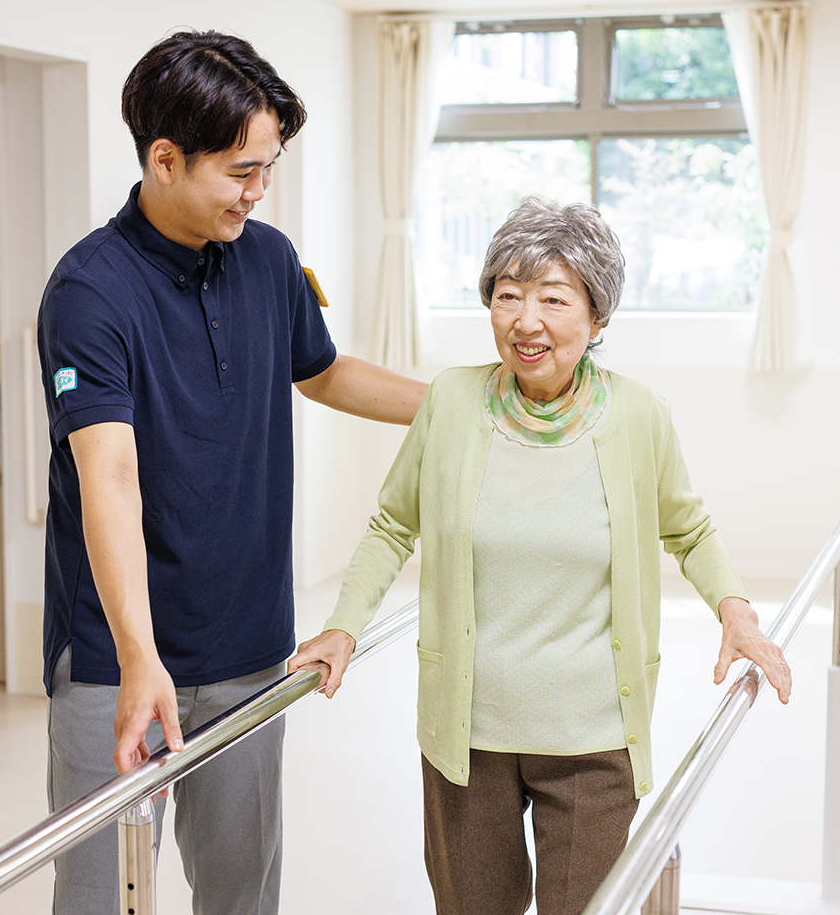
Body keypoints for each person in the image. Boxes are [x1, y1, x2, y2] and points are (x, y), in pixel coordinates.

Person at [290, 197, 793, 915]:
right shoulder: (452, 403)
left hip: (593, 737)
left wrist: (737, 613)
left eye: (552, 298)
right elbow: (393, 524)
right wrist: (342, 625)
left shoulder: (639, 415)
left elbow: (689, 528)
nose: (525, 320)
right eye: (507, 295)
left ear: (597, 318)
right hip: (467, 738)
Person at [37, 30, 426, 915]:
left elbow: (321, 369)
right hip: (114, 659)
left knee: (242, 894)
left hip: (249, 644)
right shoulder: (90, 292)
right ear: (164, 159)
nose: (258, 191)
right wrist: (140, 656)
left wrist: (457, 402)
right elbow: (110, 477)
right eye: (240, 171)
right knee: (97, 895)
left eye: (269, 168)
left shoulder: (269, 256)